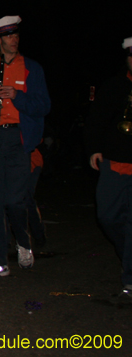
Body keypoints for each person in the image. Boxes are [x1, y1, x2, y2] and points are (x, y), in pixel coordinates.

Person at [0, 16, 50, 279]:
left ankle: (23, 243)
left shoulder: (32, 69)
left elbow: (44, 106)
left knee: (15, 200)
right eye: (9, 36)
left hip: (18, 141)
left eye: (16, 35)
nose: (14, 40)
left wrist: (17, 96)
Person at [84, 36, 132, 303]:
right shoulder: (114, 86)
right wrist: (94, 148)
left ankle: (130, 280)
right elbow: (96, 119)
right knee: (108, 217)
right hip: (114, 165)